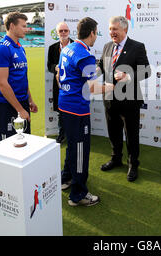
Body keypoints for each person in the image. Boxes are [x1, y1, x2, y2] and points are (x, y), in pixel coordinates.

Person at [57, 17, 112, 206]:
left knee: (72, 145)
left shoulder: (67, 48)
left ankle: (65, 178)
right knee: (80, 150)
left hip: (65, 105)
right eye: (97, 32)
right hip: (77, 110)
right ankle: (78, 195)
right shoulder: (83, 54)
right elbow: (93, 89)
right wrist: (114, 85)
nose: (97, 36)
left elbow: (63, 76)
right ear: (92, 33)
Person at [97, 16, 151, 182]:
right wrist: (94, 71)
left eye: (115, 29)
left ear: (125, 30)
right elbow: (101, 65)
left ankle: (133, 164)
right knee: (113, 131)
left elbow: (147, 71)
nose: (112, 32)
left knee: (131, 134)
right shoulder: (107, 46)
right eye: (110, 29)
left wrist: (128, 76)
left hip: (129, 100)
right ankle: (116, 158)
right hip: (109, 98)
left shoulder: (137, 47)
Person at [0, 12, 38, 140]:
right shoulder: (2, 49)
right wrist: (19, 110)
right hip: (6, 105)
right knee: (9, 144)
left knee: (24, 140)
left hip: (21, 102)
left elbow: (22, 77)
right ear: (12, 26)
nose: (26, 29)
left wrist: (30, 100)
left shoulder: (19, 47)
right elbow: (2, 83)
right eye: (23, 26)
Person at [47, 22, 73, 143]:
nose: (63, 33)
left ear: (69, 32)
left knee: (73, 109)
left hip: (74, 85)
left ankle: (74, 133)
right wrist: (55, 67)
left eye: (65, 31)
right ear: (57, 33)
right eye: (61, 31)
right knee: (61, 111)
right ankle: (62, 134)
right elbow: (49, 66)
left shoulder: (76, 46)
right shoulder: (52, 48)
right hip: (58, 85)